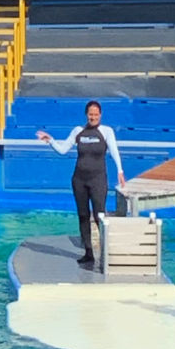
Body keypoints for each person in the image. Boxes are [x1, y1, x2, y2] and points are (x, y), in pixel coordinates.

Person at [36, 100, 126, 268]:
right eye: (90, 114)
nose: (93, 117)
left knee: (100, 215)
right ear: (86, 115)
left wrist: (120, 170)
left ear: (101, 115)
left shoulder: (106, 131)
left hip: (98, 180)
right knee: (83, 215)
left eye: (96, 114)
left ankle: (107, 252)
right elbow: (63, 150)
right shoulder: (79, 131)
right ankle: (88, 253)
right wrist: (51, 140)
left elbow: (114, 151)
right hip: (79, 180)